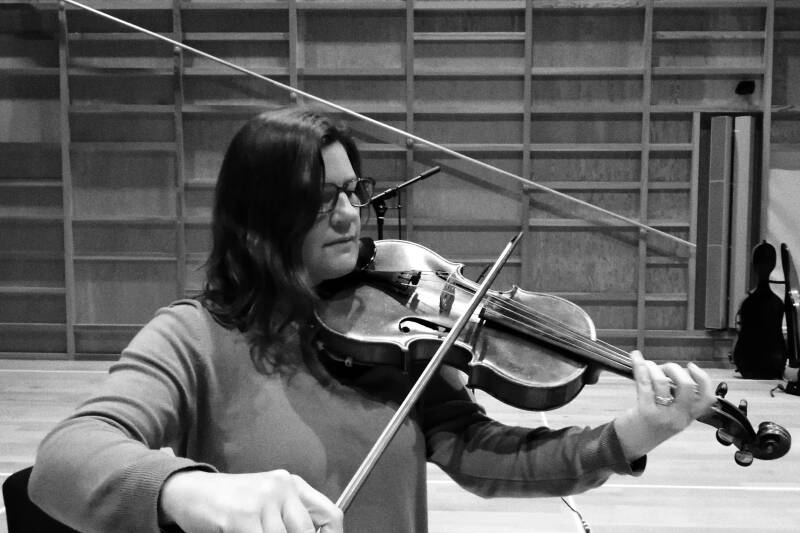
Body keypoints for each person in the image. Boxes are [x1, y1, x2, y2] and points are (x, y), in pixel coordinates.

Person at [29, 106, 715, 533]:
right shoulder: (195, 337)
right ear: (260, 215)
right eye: (321, 198)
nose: (350, 215)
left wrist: (631, 433)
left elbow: (481, 451)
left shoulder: (388, 329)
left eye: (353, 191)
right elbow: (66, 458)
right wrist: (190, 490)